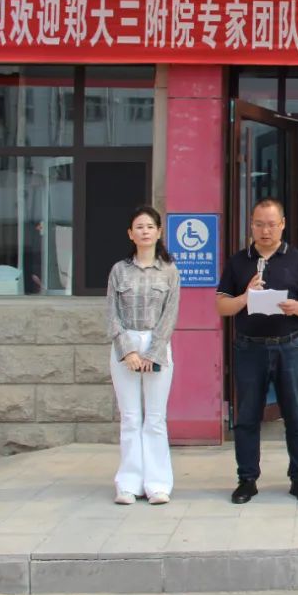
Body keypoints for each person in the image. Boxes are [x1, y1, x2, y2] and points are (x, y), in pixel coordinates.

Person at [216, 198, 298, 504]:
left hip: (291, 345)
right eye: (259, 224)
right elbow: (222, 306)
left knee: (296, 417)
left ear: (283, 225)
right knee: (247, 416)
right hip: (249, 347)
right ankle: (247, 479)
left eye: (272, 224)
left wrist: (296, 307)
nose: (265, 231)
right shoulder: (238, 261)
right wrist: (245, 297)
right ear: (251, 225)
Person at [105, 205, 181, 506]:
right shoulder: (119, 270)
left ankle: (158, 484)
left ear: (159, 232)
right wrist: (128, 351)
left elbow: (170, 315)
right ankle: (128, 484)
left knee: (156, 418)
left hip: (157, 344)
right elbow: (111, 314)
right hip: (125, 346)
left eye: (150, 226)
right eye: (139, 227)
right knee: (130, 417)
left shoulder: (169, 271)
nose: (145, 231)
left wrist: (152, 352)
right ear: (130, 233)